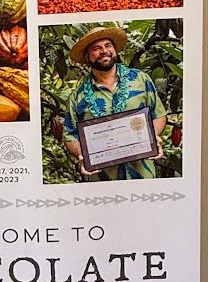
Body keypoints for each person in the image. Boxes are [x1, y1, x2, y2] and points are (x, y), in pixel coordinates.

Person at [61, 25, 167, 182]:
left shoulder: (140, 79)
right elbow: (69, 135)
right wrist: (82, 153)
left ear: (115, 50)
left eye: (108, 45)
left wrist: (153, 137)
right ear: (87, 56)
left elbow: (158, 114)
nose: (104, 51)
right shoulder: (77, 97)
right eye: (96, 48)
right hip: (102, 179)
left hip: (142, 174)